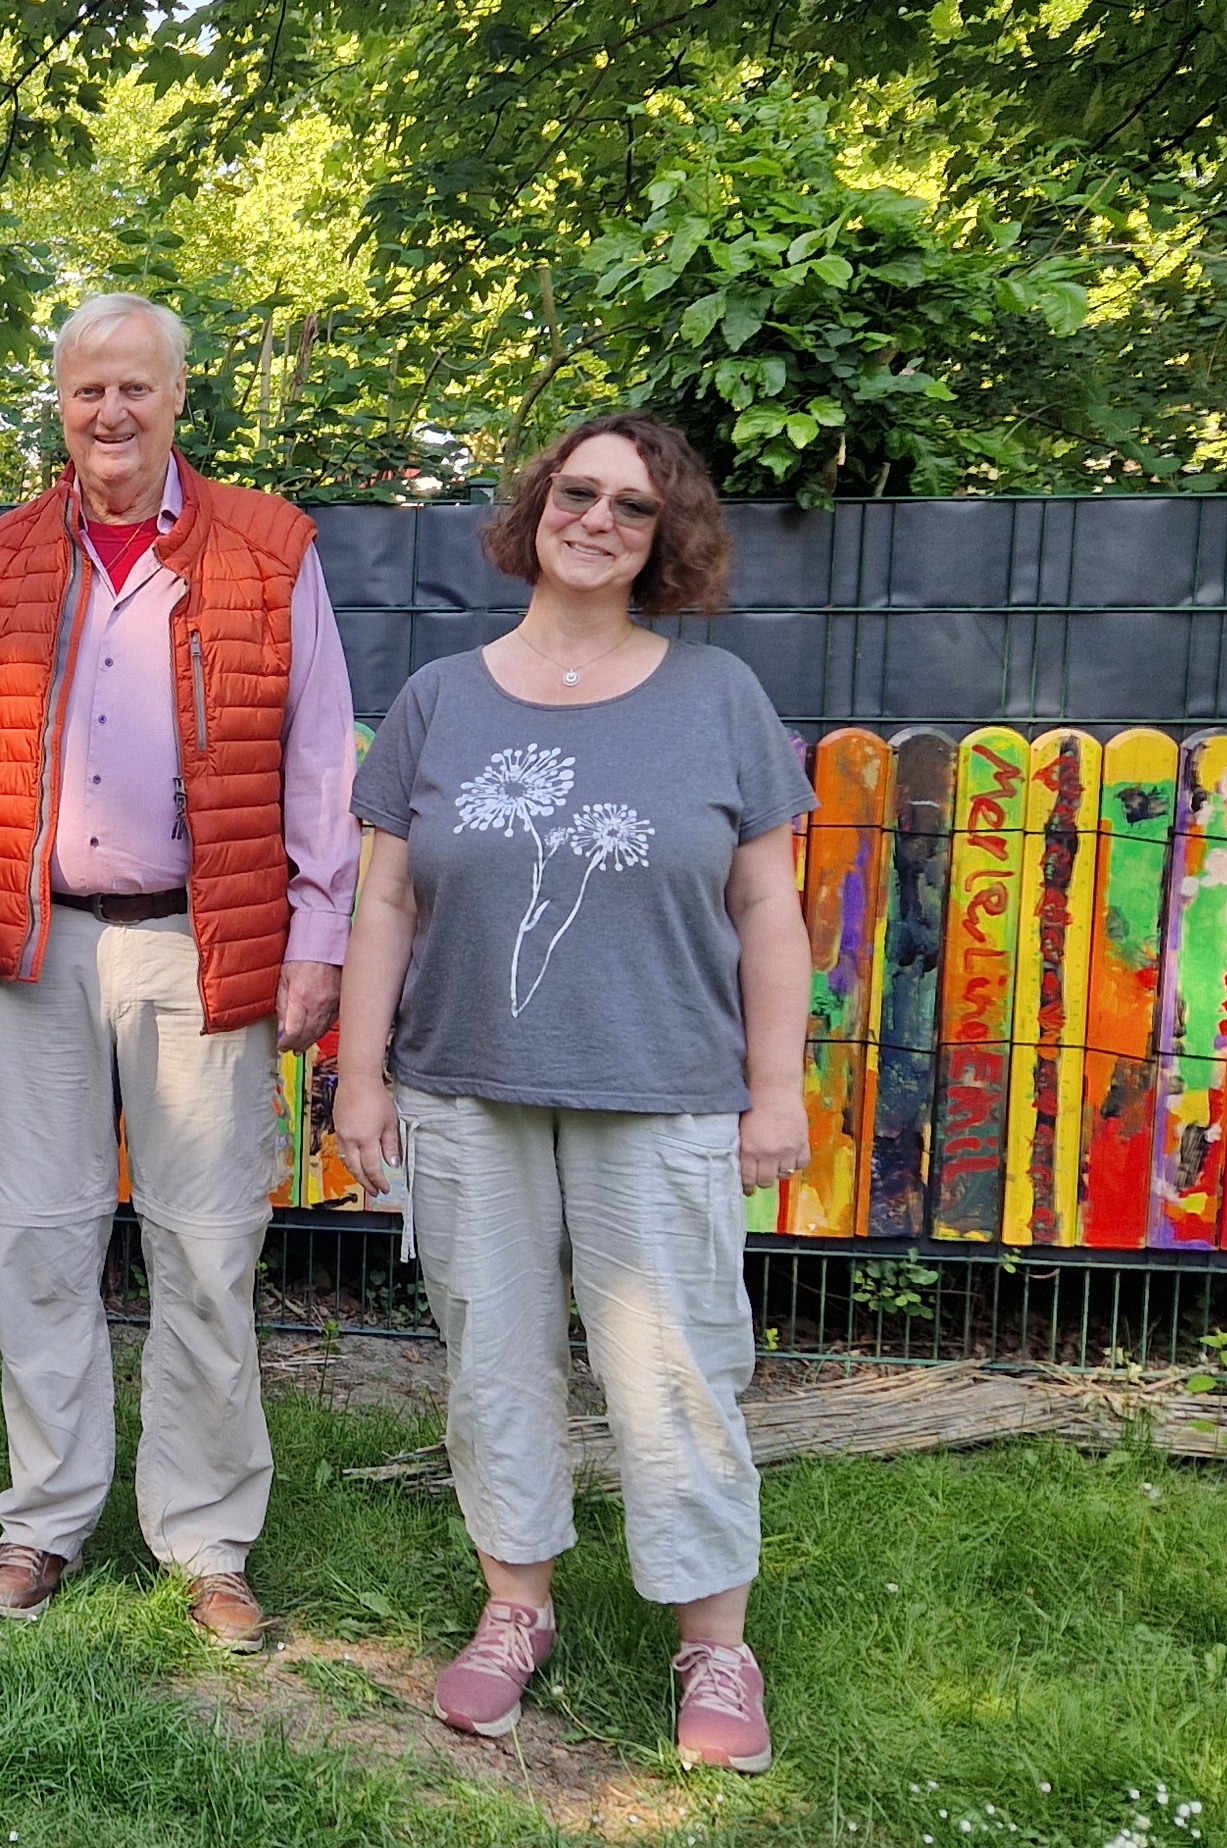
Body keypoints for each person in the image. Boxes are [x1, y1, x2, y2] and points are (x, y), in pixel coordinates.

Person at [330, 411, 812, 1775]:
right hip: (465, 1092)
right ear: (537, 504)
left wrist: (774, 1091)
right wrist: (360, 1077)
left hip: (661, 1091)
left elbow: (768, 904)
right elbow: (385, 904)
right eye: (578, 490)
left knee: (679, 1370)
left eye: (634, 508)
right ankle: (515, 1608)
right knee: (493, 1361)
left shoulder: (717, 698)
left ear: (668, 541)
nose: (597, 519)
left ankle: (714, 1637)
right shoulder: (440, 698)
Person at [0, 291, 356, 1654]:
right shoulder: (5, 555)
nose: (112, 413)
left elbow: (323, 757)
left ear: (179, 397)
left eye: (137, 390)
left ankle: (208, 1538)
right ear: (61, 402)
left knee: (209, 1249)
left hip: (203, 939)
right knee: (38, 1244)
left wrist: (320, 933)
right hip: (34, 946)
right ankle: (45, 1519)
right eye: (87, 390)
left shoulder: (269, 550)